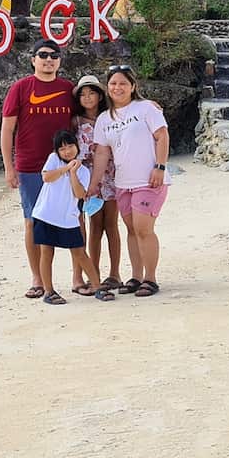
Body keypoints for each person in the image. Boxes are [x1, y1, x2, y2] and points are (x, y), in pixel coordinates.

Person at [0, 39, 75, 299]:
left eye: (54, 55)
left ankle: (78, 277)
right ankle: (38, 278)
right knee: (33, 222)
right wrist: (9, 168)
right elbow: (7, 129)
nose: (48, 59)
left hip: (64, 167)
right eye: (42, 54)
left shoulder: (68, 89)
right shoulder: (20, 88)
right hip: (30, 166)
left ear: (59, 61)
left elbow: (92, 110)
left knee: (72, 220)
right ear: (33, 59)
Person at [87, 65, 170, 298]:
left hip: (149, 179)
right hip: (123, 182)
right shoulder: (104, 119)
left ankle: (150, 278)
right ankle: (136, 276)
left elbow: (162, 136)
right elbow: (102, 153)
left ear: (133, 86)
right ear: (107, 87)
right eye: (113, 83)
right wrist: (94, 184)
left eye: (123, 83)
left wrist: (160, 167)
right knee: (132, 230)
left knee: (144, 229)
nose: (118, 87)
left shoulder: (145, 108)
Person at [32, 130, 116, 305]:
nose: (67, 151)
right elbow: (47, 177)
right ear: (57, 151)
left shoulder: (83, 171)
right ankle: (49, 291)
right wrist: (66, 168)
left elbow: (79, 194)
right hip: (46, 215)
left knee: (79, 252)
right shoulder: (53, 159)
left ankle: (97, 287)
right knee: (46, 252)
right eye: (62, 149)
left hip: (68, 218)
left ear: (77, 146)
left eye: (70, 146)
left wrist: (73, 174)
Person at [72, 74, 123, 292]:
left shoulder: (111, 116)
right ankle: (94, 273)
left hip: (110, 174)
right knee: (94, 227)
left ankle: (115, 273)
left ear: (100, 95)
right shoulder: (75, 121)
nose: (87, 97)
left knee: (111, 224)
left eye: (92, 92)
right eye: (83, 94)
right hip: (87, 178)